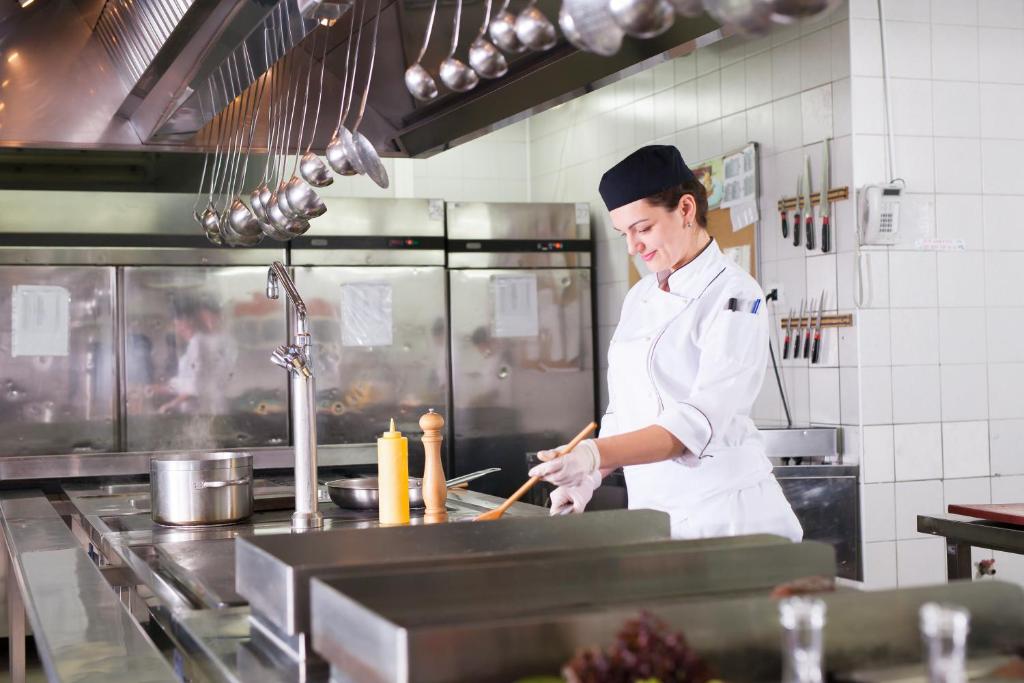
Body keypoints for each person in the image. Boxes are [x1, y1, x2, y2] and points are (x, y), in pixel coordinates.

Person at [529, 145, 802, 541]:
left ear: (686, 209)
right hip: (656, 511)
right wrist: (589, 476)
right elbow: (624, 411)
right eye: (624, 234)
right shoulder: (640, 296)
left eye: (643, 229)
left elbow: (695, 423)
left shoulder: (736, 296)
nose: (632, 246)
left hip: (727, 516)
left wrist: (593, 454)